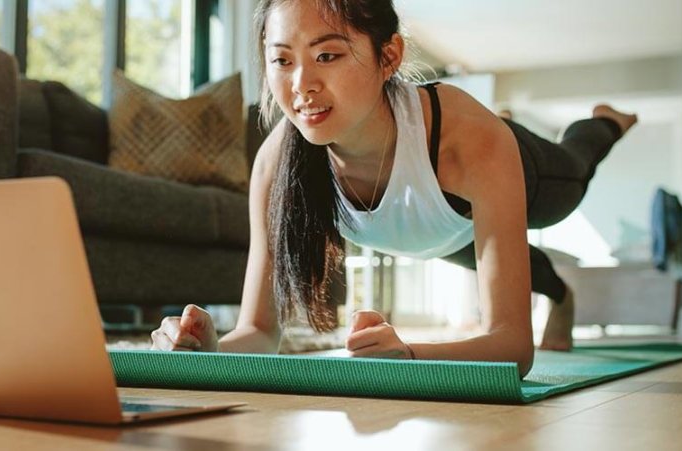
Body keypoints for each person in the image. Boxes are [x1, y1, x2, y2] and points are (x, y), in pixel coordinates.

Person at [150, 0, 637, 377]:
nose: (302, 85)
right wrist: (207, 347)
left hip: (524, 174)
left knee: (575, 170)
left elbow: (512, 347)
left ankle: (604, 123)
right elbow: (259, 332)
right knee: (521, 267)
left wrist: (409, 353)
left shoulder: (467, 140)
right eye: (282, 60)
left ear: (389, 56)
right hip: (437, 230)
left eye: (327, 54)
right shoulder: (276, 164)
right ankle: (561, 295)